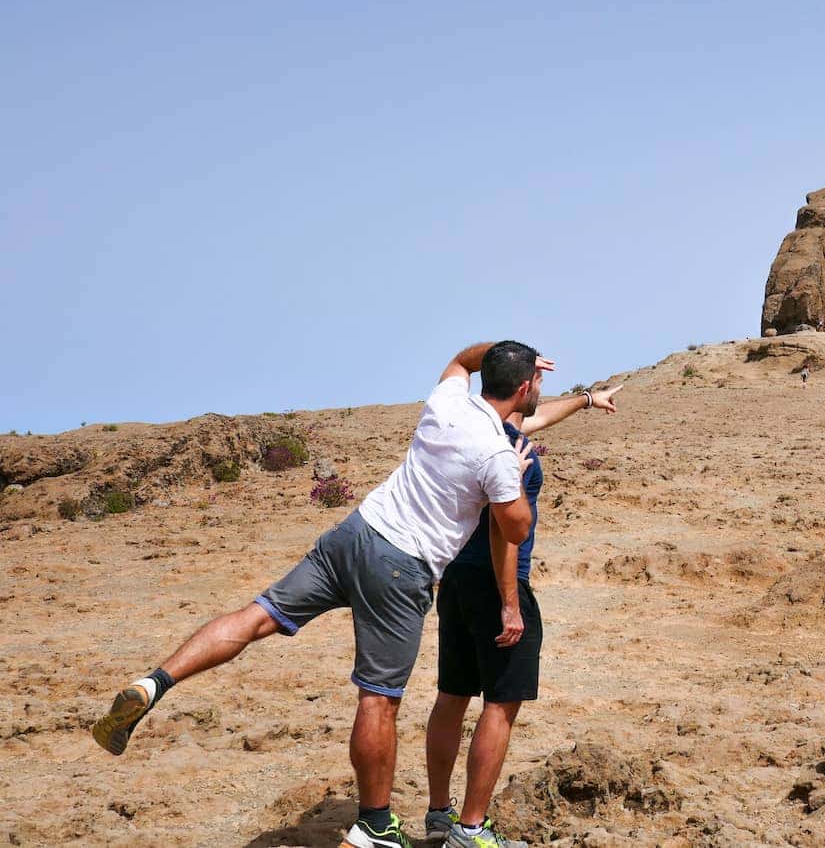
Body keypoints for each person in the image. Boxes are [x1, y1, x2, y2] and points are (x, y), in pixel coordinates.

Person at [92, 341, 552, 848]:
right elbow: (514, 529)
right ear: (526, 386)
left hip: (353, 533)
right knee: (379, 699)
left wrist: (505, 351)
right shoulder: (496, 450)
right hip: (400, 569)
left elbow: (462, 360)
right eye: (537, 380)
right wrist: (514, 463)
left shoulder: (447, 401)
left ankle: (155, 683)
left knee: (258, 615)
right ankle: (376, 823)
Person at [422, 383, 621, 848]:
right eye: (536, 383)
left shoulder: (472, 429)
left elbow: (537, 418)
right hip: (498, 586)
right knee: (499, 706)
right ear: (521, 389)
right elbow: (503, 534)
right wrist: (511, 604)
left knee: (452, 696)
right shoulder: (513, 454)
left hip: (454, 583)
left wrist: (588, 400)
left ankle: (438, 814)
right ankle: (470, 830)